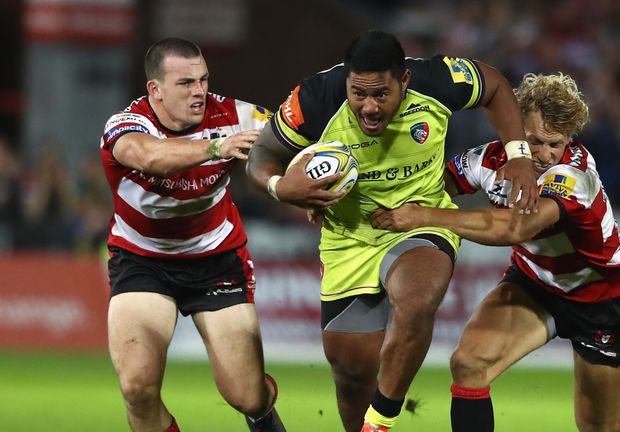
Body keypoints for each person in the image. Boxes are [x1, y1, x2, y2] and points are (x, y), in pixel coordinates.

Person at [246, 30, 538, 432]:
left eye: (381, 95)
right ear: (346, 82)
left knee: (417, 297)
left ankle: (382, 419)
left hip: (420, 219)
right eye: (358, 94)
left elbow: (496, 85)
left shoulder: (437, 80)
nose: (368, 107)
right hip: (348, 237)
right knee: (351, 374)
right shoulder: (315, 98)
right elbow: (261, 155)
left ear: (404, 82)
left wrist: (519, 154)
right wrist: (283, 188)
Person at [370, 73, 620, 432]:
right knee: (469, 364)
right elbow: (427, 190)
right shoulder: (487, 159)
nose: (544, 154)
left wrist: (422, 216)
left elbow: (516, 227)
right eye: (534, 141)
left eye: (554, 144)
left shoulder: (573, 177)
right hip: (535, 284)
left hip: (603, 298)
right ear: (513, 129)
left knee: (599, 425)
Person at [99, 37, 285, 432]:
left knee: (247, 395)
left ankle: (262, 412)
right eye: (185, 83)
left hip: (216, 259)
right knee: (137, 387)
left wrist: (305, 188)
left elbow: (294, 149)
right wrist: (217, 147)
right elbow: (149, 156)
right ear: (155, 89)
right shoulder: (127, 124)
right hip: (142, 260)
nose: (199, 91)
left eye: (203, 80)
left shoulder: (240, 115)